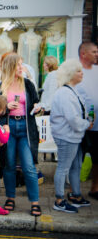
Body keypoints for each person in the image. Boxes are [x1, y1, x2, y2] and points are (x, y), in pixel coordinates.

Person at [0, 53, 42, 216]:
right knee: (9, 165)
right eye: (19, 65)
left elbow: (35, 102)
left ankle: (35, 201)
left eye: (22, 64)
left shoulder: (28, 84)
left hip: (26, 127)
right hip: (8, 127)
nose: (23, 68)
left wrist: (38, 108)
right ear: (10, 67)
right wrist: (6, 106)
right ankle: (10, 198)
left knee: (29, 166)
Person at [51, 59, 92, 213]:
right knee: (63, 168)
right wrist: (86, 124)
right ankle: (59, 200)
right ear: (70, 74)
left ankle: (75, 195)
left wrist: (85, 122)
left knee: (76, 167)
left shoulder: (71, 90)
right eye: (78, 71)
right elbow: (72, 118)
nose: (82, 73)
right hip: (67, 136)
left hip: (74, 136)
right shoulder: (64, 93)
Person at [76, 42, 98, 201]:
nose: (97, 54)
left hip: (97, 124)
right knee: (78, 157)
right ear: (84, 54)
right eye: (94, 51)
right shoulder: (77, 72)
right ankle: (74, 190)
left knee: (97, 157)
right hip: (81, 124)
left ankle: (95, 188)